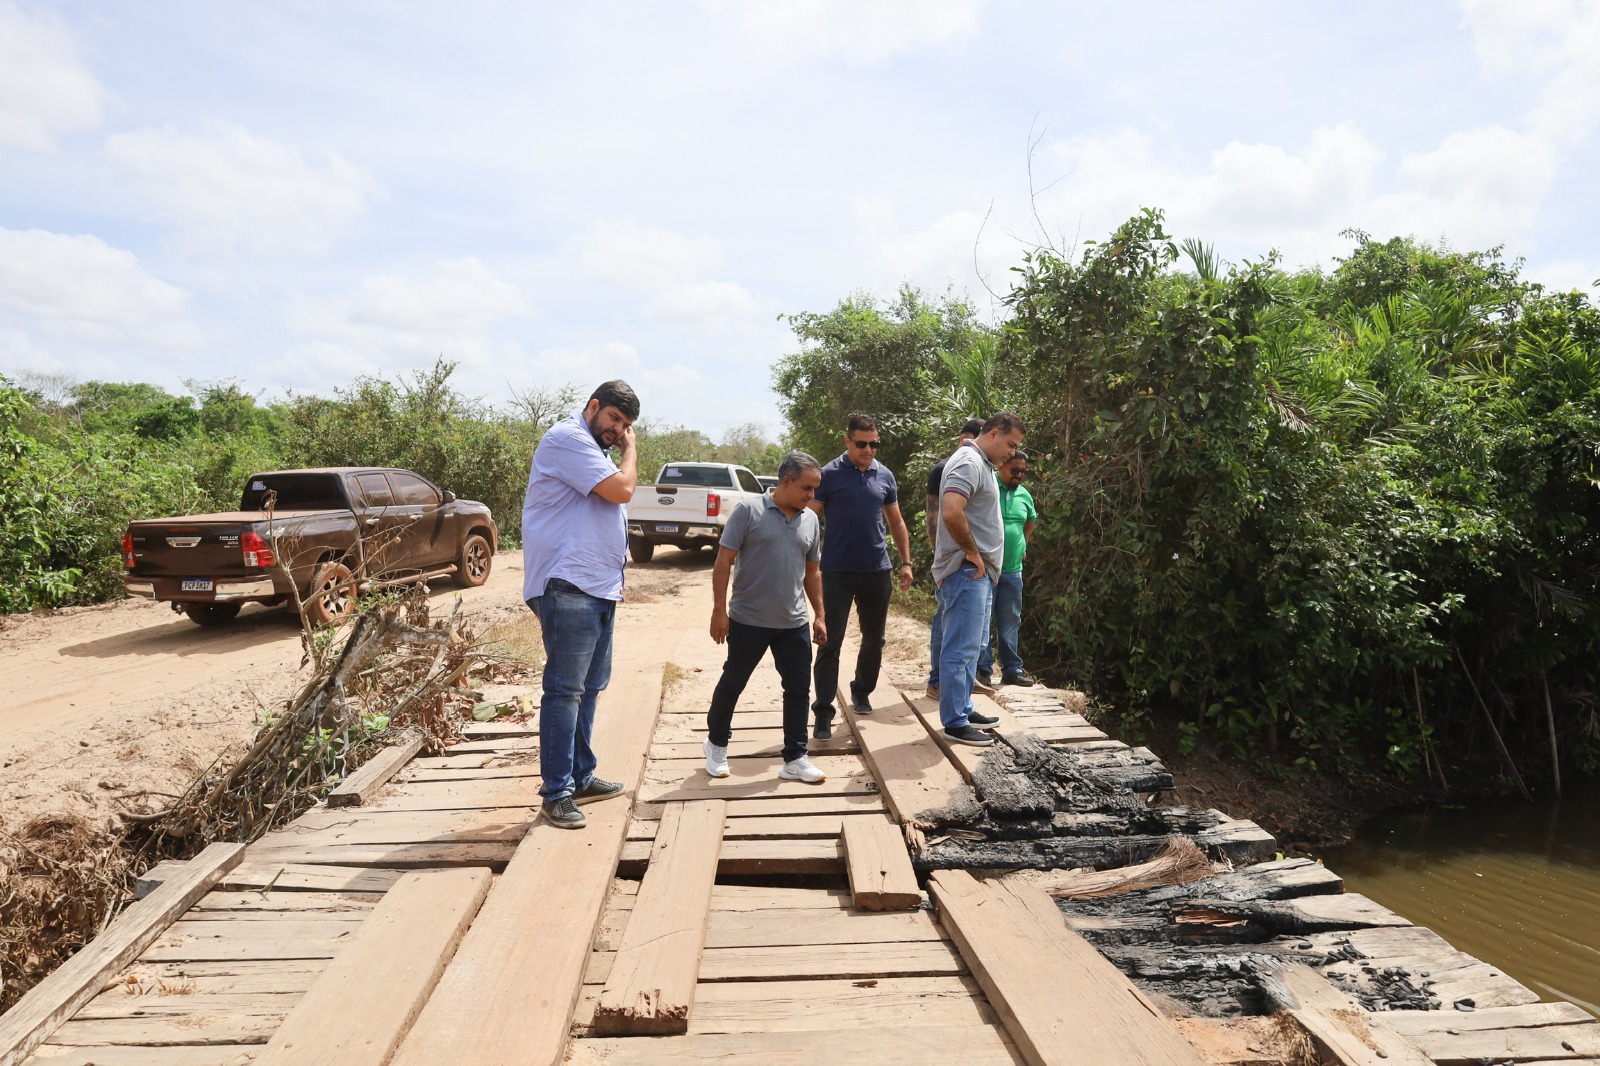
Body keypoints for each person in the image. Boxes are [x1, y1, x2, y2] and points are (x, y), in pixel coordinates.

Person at [521, 380, 640, 829]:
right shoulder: (567, 438)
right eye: (614, 420)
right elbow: (623, 491)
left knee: (589, 687)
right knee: (566, 690)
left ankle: (580, 776)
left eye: (626, 426)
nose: (618, 430)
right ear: (593, 407)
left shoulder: (593, 450)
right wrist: (632, 449)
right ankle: (556, 793)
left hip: (597, 585)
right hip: (567, 583)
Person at [704, 451, 828, 784]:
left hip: (794, 622)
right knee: (734, 683)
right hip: (749, 620)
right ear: (785, 482)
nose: (811, 496)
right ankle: (716, 744)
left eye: (815, 489)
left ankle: (795, 758)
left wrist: (820, 615)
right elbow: (723, 562)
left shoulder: (811, 520)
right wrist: (719, 610)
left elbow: (813, 571)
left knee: (799, 689)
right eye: (806, 488)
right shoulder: (749, 510)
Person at [809, 414, 914, 737]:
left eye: (874, 444)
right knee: (830, 642)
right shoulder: (828, 475)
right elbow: (809, 519)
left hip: (876, 571)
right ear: (847, 442)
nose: (869, 450)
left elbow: (895, 522)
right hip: (837, 571)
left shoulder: (885, 476)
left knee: (875, 639)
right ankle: (824, 712)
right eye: (862, 444)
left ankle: (862, 690)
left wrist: (906, 562)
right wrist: (804, 563)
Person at [933, 411, 1026, 747]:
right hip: (967, 570)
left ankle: (964, 708)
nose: (1013, 453)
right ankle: (955, 723)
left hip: (979, 573)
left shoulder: (981, 463)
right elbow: (951, 510)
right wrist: (972, 552)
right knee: (960, 645)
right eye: (1011, 445)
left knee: (971, 646)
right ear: (994, 434)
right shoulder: (969, 462)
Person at [924, 417, 985, 699]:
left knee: (969, 632)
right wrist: (942, 558)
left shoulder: (980, 465)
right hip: (954, 562)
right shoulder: (948, 468)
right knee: (945, 622)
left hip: (973, 563)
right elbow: (936, 514)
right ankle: (938, 681)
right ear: (965, 438)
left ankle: (965, 685)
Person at [977, 450, 1039, 687]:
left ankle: (1012, 670)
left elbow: (1031, 519)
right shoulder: (990, 489)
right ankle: (983, 671)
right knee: (983, 621)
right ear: (1002, 466)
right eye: (1015, 470)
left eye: (1023, 471)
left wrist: (1023, 544)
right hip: (988, 568)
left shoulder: (1024, 494)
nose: (1019, 475)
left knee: (1010, 620)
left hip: (1013, 571)